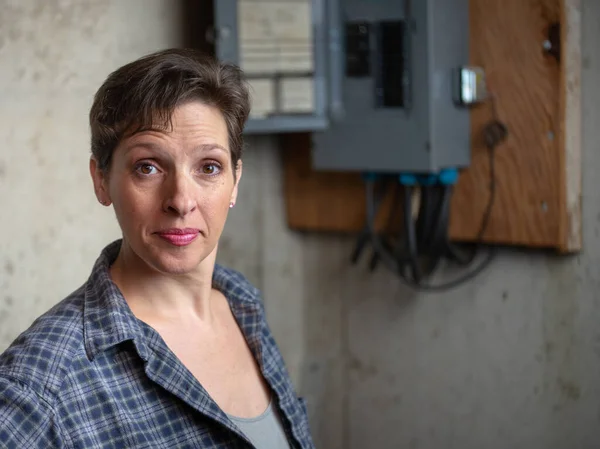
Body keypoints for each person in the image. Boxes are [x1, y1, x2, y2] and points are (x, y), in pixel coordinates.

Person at [0, 48, 314, 449]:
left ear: (235, 181)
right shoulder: (38, 386)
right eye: (148, 166)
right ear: (102, 181)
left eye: (209, 167)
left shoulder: (241, 303)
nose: (181, 200)